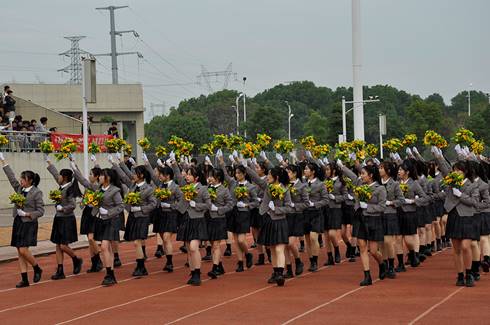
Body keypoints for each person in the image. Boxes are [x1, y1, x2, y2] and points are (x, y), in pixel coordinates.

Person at [1, 153, 44, 288]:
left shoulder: (36, 192)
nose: (20, 181)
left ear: (30, 180)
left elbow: (41, 211)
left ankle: (37, 268)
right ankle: (24, 279)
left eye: (23, 179)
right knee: (19, 251)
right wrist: (3, 161)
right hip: (18, 222)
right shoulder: (20, 189)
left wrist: (27, 213)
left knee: (24, 250)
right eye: (21, 178)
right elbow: (11, 177)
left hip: (29, 223)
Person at [46, 158, 84, 280]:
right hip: (59, 219)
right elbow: (55, 174)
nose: (58, 177)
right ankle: (60, 270)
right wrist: (49, 163)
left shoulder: (70, 189)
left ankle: (76, 259)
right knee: (58, 245)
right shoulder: (62, 186)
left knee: (63, 246)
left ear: (65, 178)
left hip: (67, 219)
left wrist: (63, 208)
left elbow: (72, 205)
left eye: (60, 176)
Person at [176, 166, 211, 285]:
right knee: (188, 249)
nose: (187, 176)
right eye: (187, 174)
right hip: (186, 219)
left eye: (190, 174)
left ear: (196, 177)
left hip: (197, 220)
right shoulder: (185, 188)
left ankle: (197, 272)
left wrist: (195, 204)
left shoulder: (203, 189)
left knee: (193, 247)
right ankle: (192, 272)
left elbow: (208, 205)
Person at [119, 165, 157, 277]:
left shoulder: (149, 189)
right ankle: (141, 266)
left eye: (135, 173)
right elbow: (127, 200)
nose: (133, 175)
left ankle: (141, 266)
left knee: (137, 242)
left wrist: (140, 208)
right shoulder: (132, 187)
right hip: (133, 217)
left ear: (142, 175)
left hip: (142, 217)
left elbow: (153, 204)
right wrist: (129, 208)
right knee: (135, 242)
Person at [256, 166, 292, 286]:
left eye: (269, 174)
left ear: (276, 177)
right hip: (268, 221)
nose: (267, 176)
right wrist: (246, 164)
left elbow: (288, 207)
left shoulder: (285, 189)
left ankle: (281, 274)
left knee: (279, 249)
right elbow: (256, 179)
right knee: (272, 249)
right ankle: (276, 273)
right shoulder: (268, 187)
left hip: (280, 220)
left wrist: (275, 209)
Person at [356, 164, 387, 286]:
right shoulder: (360, 187)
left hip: (374, 219)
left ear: (371, 175)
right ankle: (367, 275)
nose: (361, 176)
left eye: (363, 173)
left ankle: (382, 264)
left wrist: (367, 207)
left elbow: (382, 207)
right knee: (362, 247)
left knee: (373, 251)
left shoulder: (380, 189)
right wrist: (358, 207)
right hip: (362, 219)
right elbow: (356, 201)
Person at [70, 158, 104, 273]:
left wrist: (74, 169)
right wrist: (74, 164)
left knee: (91, 238)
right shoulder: (91, 185)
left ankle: (99, 258)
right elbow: (83, 179)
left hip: (94, 214)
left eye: (91, 174)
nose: (89, 176)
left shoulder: (97, 187)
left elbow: (82, 181)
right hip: (87, 212)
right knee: (89, 240)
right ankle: (95, 264)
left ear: (96, 177)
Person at [93, 168, 125, 286]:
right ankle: (110, 273)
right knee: (108, 249)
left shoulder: (115, 191)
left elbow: (121, 206)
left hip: (112, 221)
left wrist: (108, 212)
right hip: (101, 221)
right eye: (100, 175)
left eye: (102, 175)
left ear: (108, 178)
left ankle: (109, 274)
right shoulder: (99, 190)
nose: (100, 177)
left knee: (105, 247)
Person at [206, 168, 234, 279]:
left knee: (216, 245)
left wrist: (218, 209)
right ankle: (220, 266)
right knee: (212, 244)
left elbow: (230, 205)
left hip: (219, 219)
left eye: (211, 176)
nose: (209, 178)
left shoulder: (224, 190)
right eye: (209, 176)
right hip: (208, 219)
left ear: (218, 177)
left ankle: (215, 268)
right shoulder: (207, 188)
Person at [379, 161, 405, 278]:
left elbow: (401, 200)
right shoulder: (376, 184)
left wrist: (390, 203)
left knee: (388, 241)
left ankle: (391, 265)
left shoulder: (394, 184)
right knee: (381, 242)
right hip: (378, 214)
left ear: (388, 171)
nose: (379, 170)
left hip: (390, 214)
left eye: (381, 168)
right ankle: (383, 265)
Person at [303, 162, 329, 272]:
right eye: (304, 169)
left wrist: (315, 204)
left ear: (313, 172)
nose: (305, 171)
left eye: (307, 169)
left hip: (316, 213)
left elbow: (326, 200)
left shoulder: (320, 184)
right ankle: (311, 260)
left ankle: (315, 260)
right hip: (305, 213)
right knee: (307, 239)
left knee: (314, 237)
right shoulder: (302, 183)